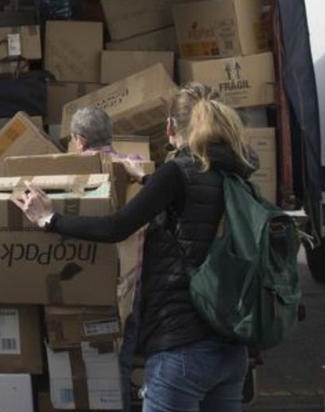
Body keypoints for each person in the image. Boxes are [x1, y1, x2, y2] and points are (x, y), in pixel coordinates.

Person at [13, 84, 255, 412]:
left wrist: (50, 220)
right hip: (232, 348)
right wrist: (147, 182)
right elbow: (192, 210)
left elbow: (116, 227)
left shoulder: (177, 172)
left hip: (181, 347)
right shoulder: (236, 173)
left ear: (170, 127)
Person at [68, 105, 146, 162]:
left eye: (72, 139)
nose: (72, 142)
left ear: (80, 141)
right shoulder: (136, 161)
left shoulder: (73, 168)